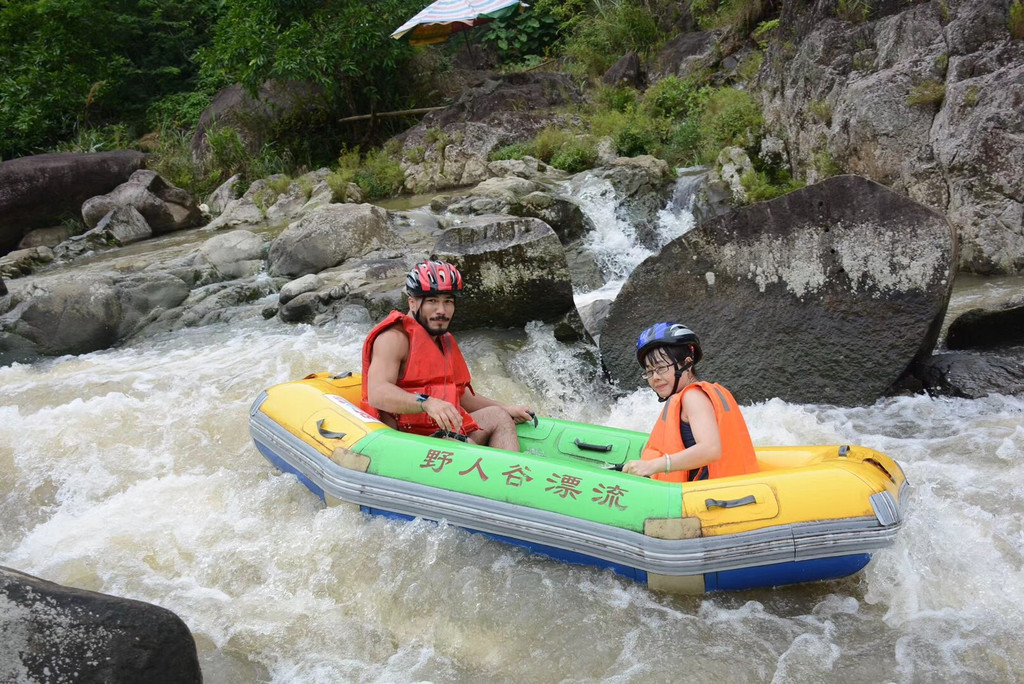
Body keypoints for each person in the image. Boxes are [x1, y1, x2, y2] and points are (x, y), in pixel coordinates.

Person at [361, 259, 534, 450]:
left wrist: (507, 408)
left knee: (498, 416)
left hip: (441, 431)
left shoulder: (444, 340)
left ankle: (512, 476)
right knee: (462, 444)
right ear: (412, 303)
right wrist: (426, 403)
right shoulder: (393, 339)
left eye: (448, 302)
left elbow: (461, 396)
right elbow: (377, 393)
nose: (441, 311)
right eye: (433, 301)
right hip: (404, 441)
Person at [622, 322, 760, 482]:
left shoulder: (693, 396)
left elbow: (711, 449)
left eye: (661, 368)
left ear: (687, 364)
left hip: (711, 500)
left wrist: (653, 466)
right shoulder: (686, 397)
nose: (655, 377)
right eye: (649, 371)